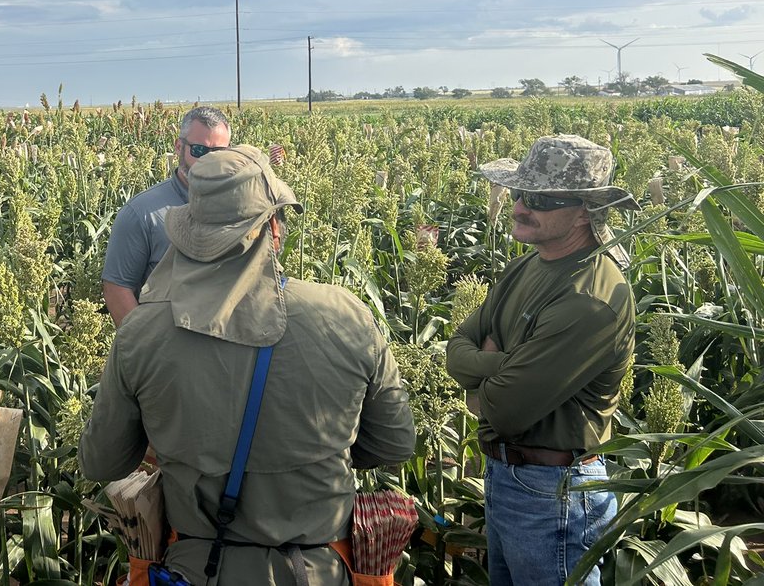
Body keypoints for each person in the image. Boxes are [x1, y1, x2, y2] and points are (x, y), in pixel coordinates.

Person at [80, 146, 416, 585]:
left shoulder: (142, 332)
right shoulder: (345, 315)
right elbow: (393, 445)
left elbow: (101, 462)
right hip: (319, 569)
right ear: (273, 228)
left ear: (189, 235)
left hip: (196, 568)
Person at [445, 135, 638, 586]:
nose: (519, 207)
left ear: (584, 211)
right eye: (518, 193)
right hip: (510, 480)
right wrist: (508, 365)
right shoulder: (528, 264)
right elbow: (455, 350)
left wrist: (488, 370)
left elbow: (504, 410)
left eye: (540, 199)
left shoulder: (590, 299)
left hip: (554, 495)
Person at [101, 105, 231, 325]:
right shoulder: (141, 213)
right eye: (199, 151)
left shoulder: (238, 205)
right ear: (179, 146)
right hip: (168, 348)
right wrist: (146, 346)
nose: (209, 161)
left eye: (218, 153)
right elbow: (117, 289)